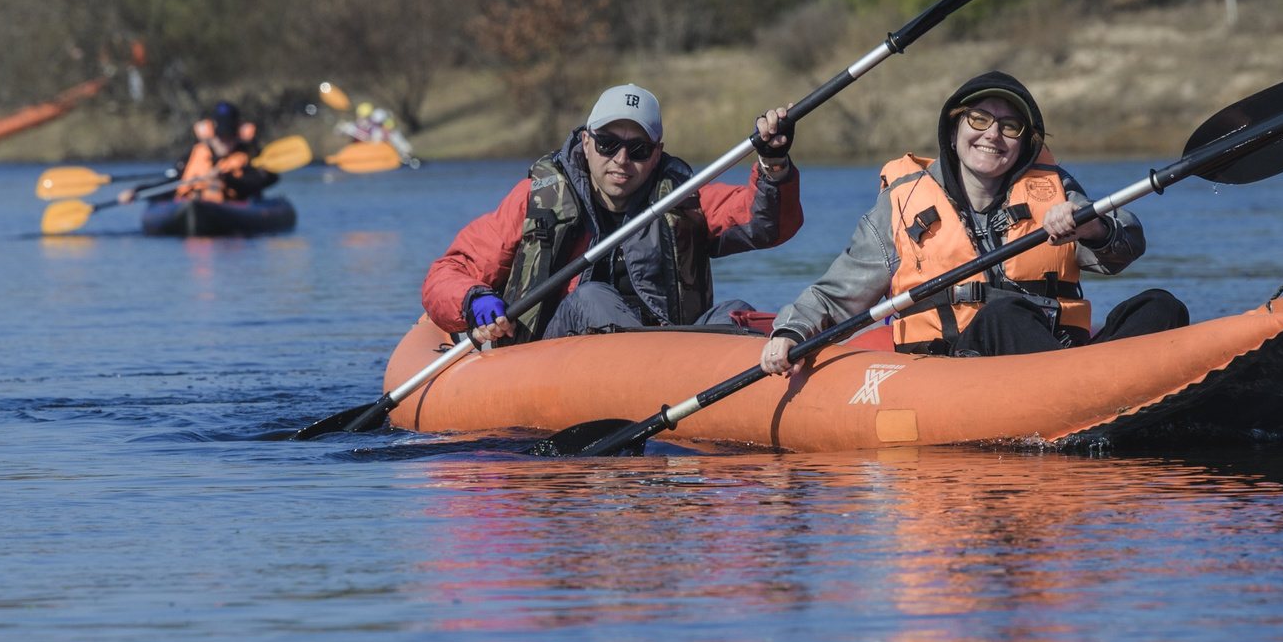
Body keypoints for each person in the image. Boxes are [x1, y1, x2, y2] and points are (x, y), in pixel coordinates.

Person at [760, 71, 1186, 376]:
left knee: (1160, 306)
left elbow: (1127, 241)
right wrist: (791, 331)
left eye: (1009, 126)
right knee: (1005, 314)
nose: (992, 135)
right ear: (953, 130)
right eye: (978, 119)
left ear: (1024, 144)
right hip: (958, 367)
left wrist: (1092, 227)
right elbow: (837, 295)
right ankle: (1096, 390)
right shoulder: (902, 204)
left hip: (1058, 355)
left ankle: (1111, 392)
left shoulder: (1053, 190)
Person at [423, 83, 802, 343]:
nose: (621, 161)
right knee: (593, 298)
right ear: (586, 142)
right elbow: (449, 271)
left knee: (733, 313)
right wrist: (474, 299)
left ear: (657, 152)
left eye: (637, 150)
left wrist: (774, 165)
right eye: (608, 144)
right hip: (550, 355)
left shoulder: (684, 199)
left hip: (668, 352)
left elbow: (765, 224)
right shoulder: (534, 201)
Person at [174, 101, 274, 203]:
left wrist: (227, 178)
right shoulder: (193, 155)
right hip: (194, 203)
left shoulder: (249, 156)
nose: (224, 142)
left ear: (237, 136)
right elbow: (174, 179)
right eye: (220, 137)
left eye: (229, 137)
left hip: (232, 205)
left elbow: (265, 179)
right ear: (211, 134)